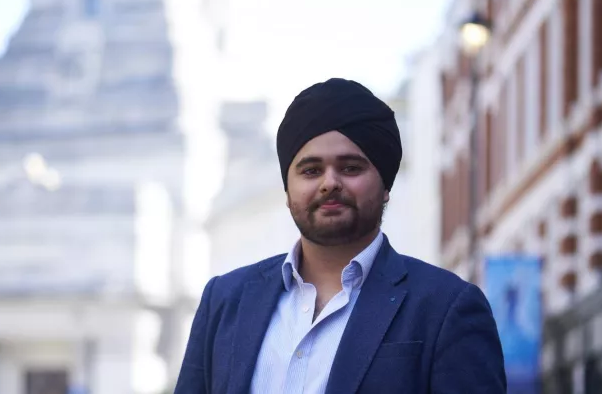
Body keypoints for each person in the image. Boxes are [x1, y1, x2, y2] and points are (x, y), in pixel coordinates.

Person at [174, 78, 506, 393]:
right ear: (288, 190)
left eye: (350, 168)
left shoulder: (446, 307)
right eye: (310, 170)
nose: (329, 183)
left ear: (386, 186)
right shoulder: (225, 301)